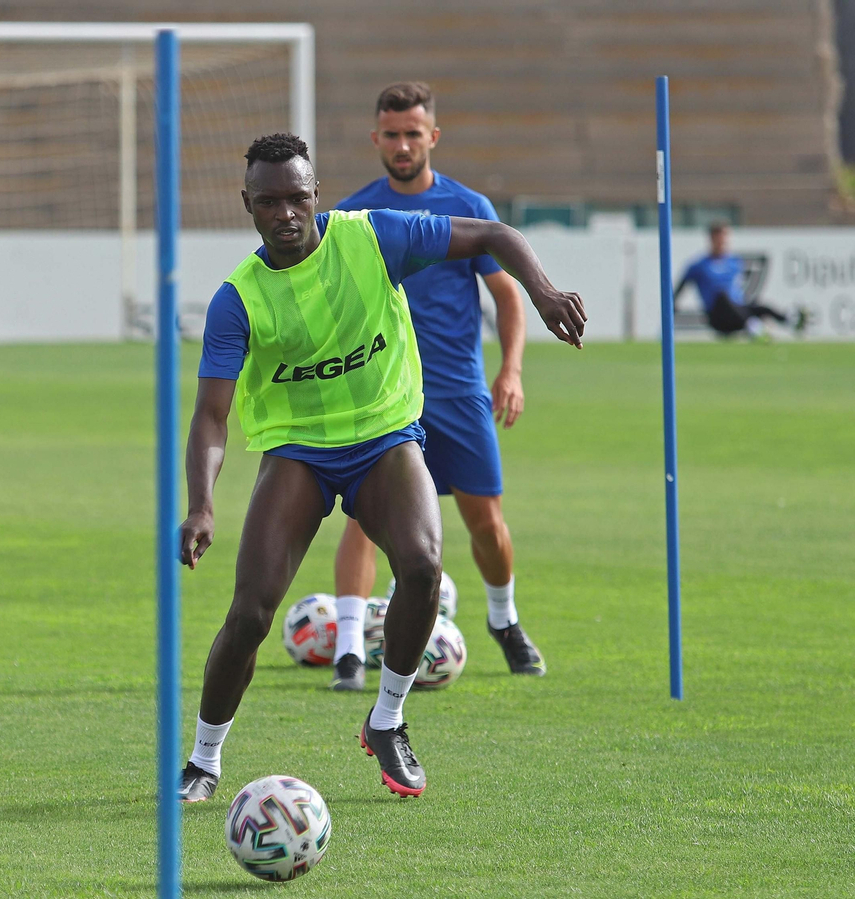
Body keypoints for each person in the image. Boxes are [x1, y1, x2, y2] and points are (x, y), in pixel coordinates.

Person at [176, 132, 584, 802]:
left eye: (297, 197)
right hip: (298, 450)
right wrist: (201, 504)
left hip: (385, 437)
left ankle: (387, 719)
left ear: (316, 195)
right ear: (246, 203)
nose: (285, 212)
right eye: (269, 200)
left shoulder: (373, 237)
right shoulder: (238, 299)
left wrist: (541, 292)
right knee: (249, 612)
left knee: (423, 563)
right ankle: (203, 758)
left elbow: (492, 232)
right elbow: (211, 416)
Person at [328, 82, 544, 694]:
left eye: (412, 133)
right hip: (384, 397)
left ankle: (504, 620)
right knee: (364, 522)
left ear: (432, 137)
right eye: (391, 134)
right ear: (376, 139)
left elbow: (507, 296)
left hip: (457, 391)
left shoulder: (466, 203)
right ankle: (348, 650)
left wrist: (511, 370)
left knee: (485, 523)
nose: (402, 144)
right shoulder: (355, 214)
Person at [677, 221, 803, 339]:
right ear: (711, 239)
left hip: (738, 313)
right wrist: (672, 307)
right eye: (719, 238)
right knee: (721, 295)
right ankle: (755, 328)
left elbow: (737, 291)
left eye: (724, 237)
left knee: (761, 307)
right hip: (718, 318)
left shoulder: (734, 262)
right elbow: (681, 287)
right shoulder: (699, 265)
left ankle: (790, 322)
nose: (722, 241)